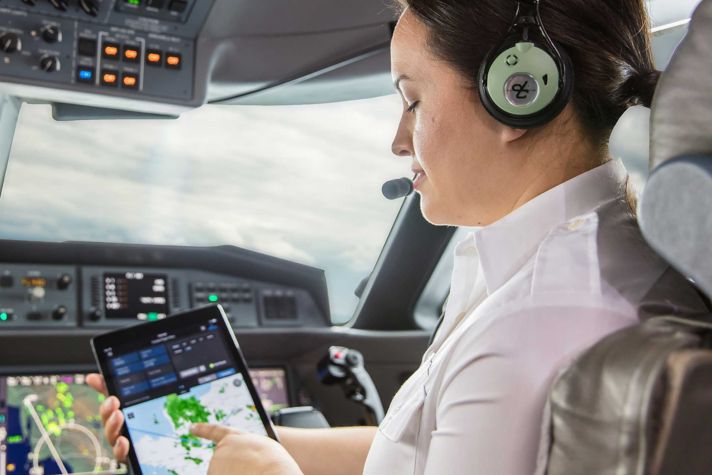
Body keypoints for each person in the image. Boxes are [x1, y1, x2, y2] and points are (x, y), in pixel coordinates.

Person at [87, 0, 709, 473]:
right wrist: (258, 443)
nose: (397, 139)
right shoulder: (568, 256)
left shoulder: (538, 322)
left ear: (519, 93)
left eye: (412, 100)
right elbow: (419, 448)